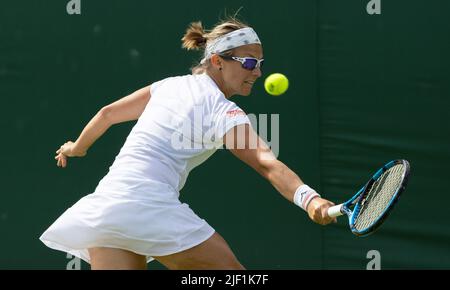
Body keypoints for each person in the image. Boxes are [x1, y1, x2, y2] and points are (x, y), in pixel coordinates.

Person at [40, 16, 337, 270]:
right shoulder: (222, 110)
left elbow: (107, 115)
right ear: (218, 61)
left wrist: (76, 147)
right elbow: (265, 161)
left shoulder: (167, 86)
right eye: (248, 62)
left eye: (260, 63)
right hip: (149, 207)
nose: (257, 72)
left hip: (107, 210)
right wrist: (310, 199)